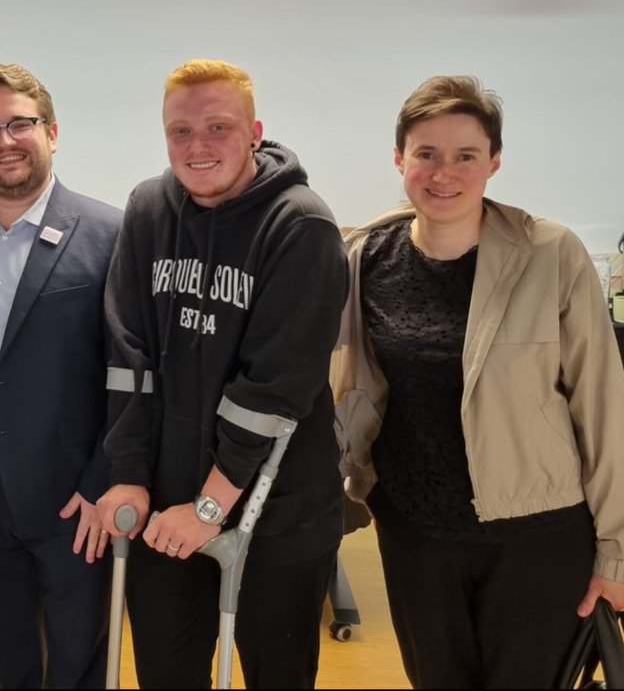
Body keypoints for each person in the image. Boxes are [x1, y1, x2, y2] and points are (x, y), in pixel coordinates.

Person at [332, 75, 624, 688]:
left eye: (466, 156)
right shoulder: (366, 257)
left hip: (536, 534)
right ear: (399, 159)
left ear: (493, 162)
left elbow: (603, 409)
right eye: (426, 154)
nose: (445, 173)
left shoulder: (551, 254)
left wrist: (616, 553)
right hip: (415, 528)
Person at [96, 59, 347, 689]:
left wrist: (211, 507)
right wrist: (127, 475)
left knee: (276, 674)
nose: (197, 146)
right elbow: (129, 356)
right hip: (165, 508)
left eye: (217, 127)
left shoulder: (301, 225)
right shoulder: (149, 208)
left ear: (255, 131)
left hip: (276, 511)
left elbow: (273, 388)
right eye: (180, 131)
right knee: (167, 671)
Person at [0, 63, 122, 688]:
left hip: (73, 494)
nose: (3, 140)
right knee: (8, 650)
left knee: (77, 658)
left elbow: (134, 376)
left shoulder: (109, 232)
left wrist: (102, 482)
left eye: (19, 123)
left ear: (53, 132)